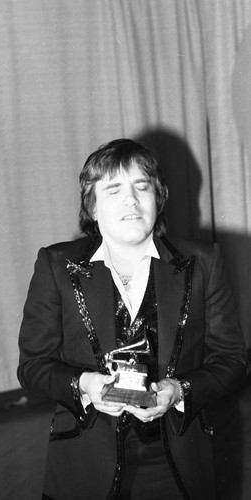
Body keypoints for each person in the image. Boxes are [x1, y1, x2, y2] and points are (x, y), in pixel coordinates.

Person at [18, 138, 248, 500]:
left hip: (180, 465)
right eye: (113, 189)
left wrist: (179, 391)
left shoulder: (204, 262)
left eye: (142, 186)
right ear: (92, 207)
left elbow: (232, 361)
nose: (131, 200)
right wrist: (84, 385)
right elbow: (32, 368)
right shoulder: (56, 266)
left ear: (158, 197)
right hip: (85, 464)